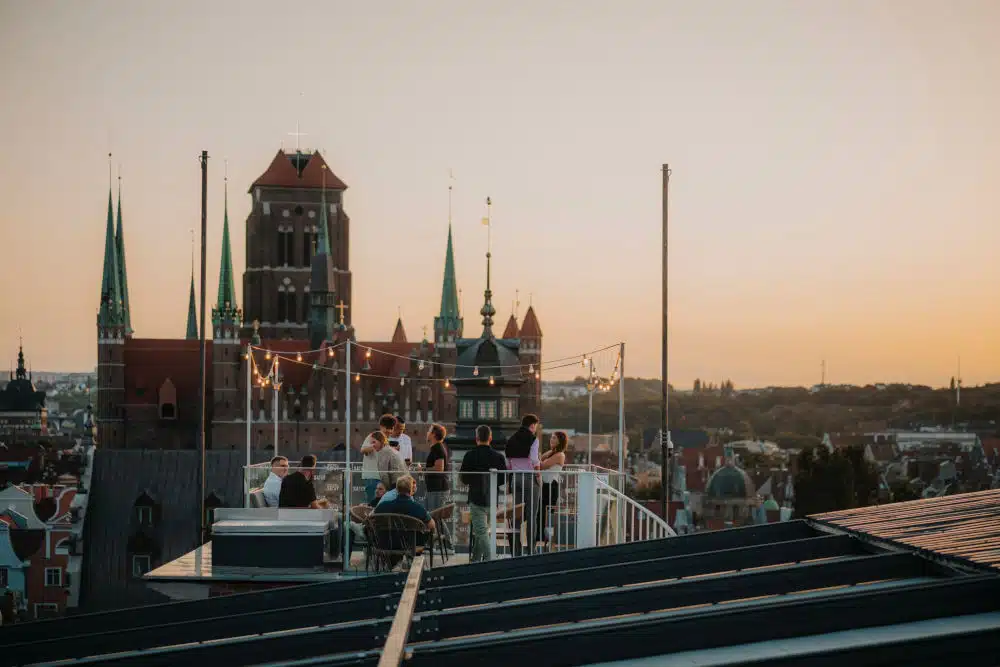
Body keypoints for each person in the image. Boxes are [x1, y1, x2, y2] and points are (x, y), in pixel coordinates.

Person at [460, 425, 507, 562]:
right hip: (492, 498)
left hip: (476, 498)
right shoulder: (498, 457)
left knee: (481, 532)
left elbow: (464, 478)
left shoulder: (469, 455)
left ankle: (489, 560)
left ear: (476, 438)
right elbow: (502, 479)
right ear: (490, 438)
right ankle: (475, 560)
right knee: (483, 532)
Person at [505, 413, 542, 555]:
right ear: (532, 425)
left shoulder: (512, 439)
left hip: (515, 478)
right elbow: (534, 460)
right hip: (529, 477)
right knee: (532, 515)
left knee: (517, 515)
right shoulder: (533, 439)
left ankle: (516, 550)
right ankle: (531, 550)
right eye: (535, 426)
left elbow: (508, 462)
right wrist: (538, 475)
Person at [538, 431, 568, 546]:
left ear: (560, 441)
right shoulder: (552, 452)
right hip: (544, 485)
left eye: (554, 438)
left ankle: (544, 539)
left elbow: (541, 465)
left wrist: (539, 460)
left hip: (551, 486)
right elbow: (540, 459)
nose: (551, 439)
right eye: (551, 437)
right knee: (540, 512)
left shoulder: (560, 455)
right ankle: (540, 537)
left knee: (546, 513)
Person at [360, 433, 383, 503]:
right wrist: (372, 446)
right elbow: (363, 450)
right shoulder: (371, 436)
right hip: (372, 477)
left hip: (385, 477)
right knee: (372, 503)